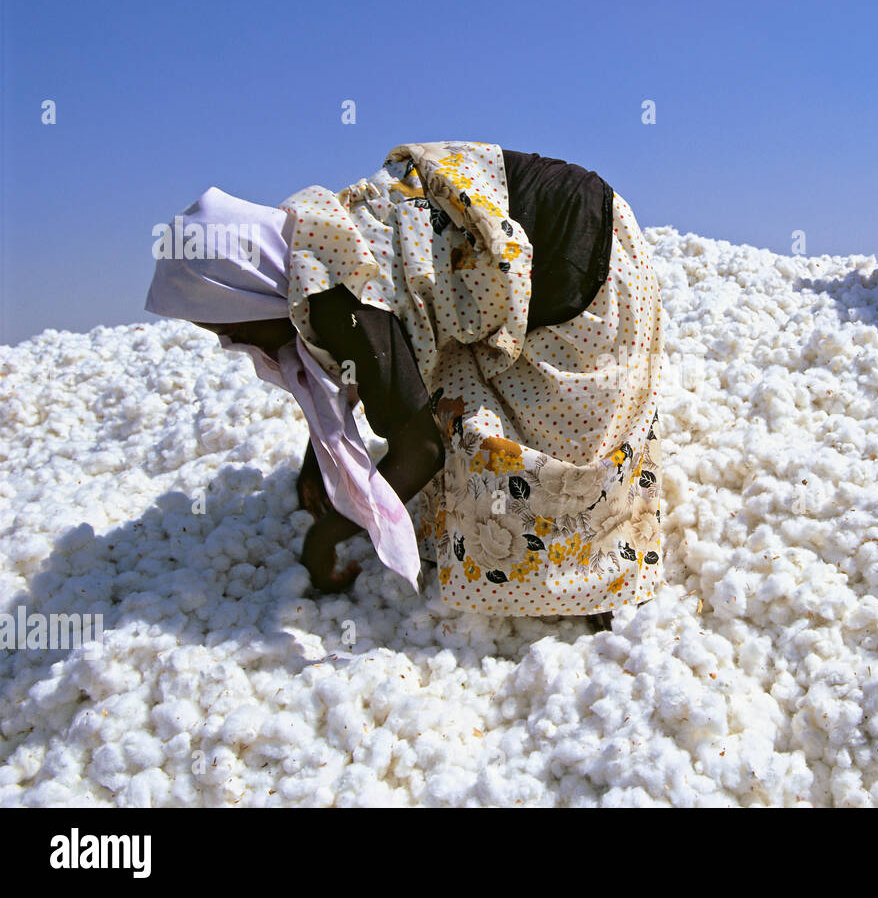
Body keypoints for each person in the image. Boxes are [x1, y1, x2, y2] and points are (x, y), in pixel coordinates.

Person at [145, 142, 666, 620]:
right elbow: (363, 367)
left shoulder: (338, 300)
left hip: (577, 251)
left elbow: (421, 447)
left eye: (231, 326)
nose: (236, 344)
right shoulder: (313, 241)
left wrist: (327, 538)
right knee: (455, 397)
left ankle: (592, 580)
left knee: (556, 439)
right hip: (541, 218)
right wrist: (320, 461)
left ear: (250, 291)